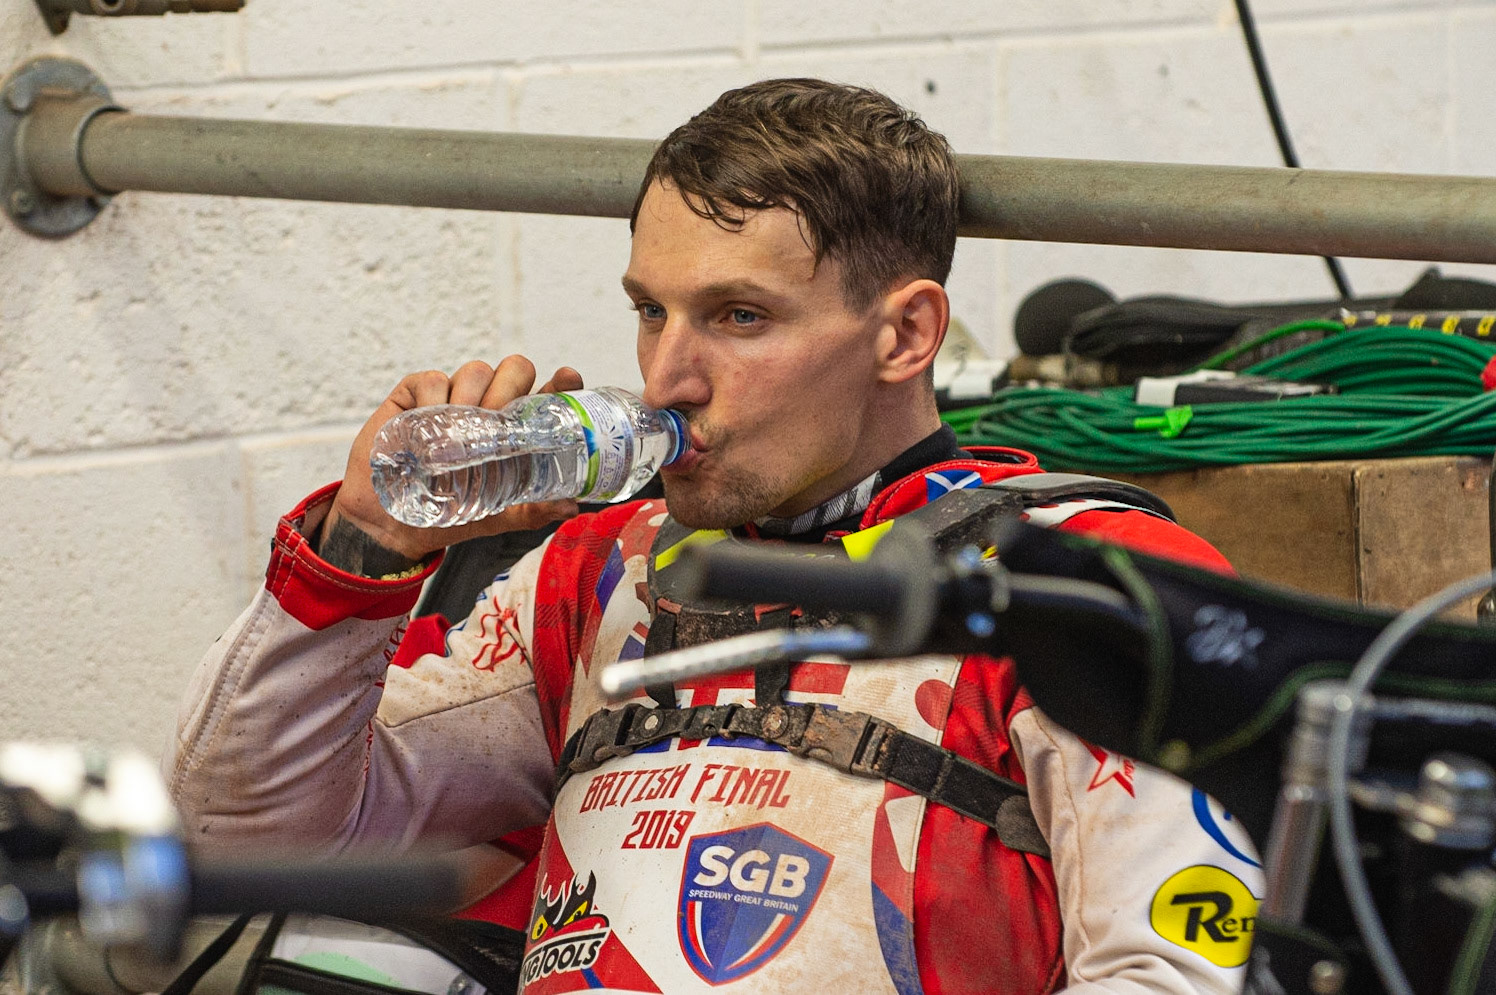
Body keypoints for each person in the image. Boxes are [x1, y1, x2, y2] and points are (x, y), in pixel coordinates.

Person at [166, 78, 1263, 993]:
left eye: (739, 317)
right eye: (652, 310)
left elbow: (1178, 970)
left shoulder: (1081, 582)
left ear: (904, 332)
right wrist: (363, 546)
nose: (667, 376)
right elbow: (247, 844)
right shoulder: (595, 572)